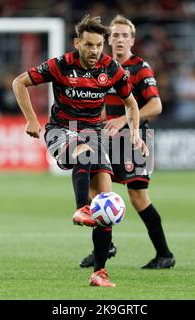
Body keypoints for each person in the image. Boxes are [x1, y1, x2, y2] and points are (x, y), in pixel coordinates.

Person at [12, 15, 147, 287]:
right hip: (61, 130)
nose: (95, 50)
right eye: (89, 45)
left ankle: (99, 272)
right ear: (78, 43)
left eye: (99, 45)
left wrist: (133, 133)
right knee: (86, 153)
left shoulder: (111, 69)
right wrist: (30, 119)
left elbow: (131, 104)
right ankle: (80, 208)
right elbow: (19, 82)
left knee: (106, 202)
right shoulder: (61, 65)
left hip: (93, 134)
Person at [79, 15, 176, 269]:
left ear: (132, 40)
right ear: (108, 39)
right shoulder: (101, 66)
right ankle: (105, 245)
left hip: (135, 140)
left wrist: (124, 119)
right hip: (106, 138)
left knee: (138, 198)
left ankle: (164, 254)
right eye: (115, 35)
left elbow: (156, 105)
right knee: (93, 191)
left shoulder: (139, 67)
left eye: (125, 35)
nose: (120, 39)